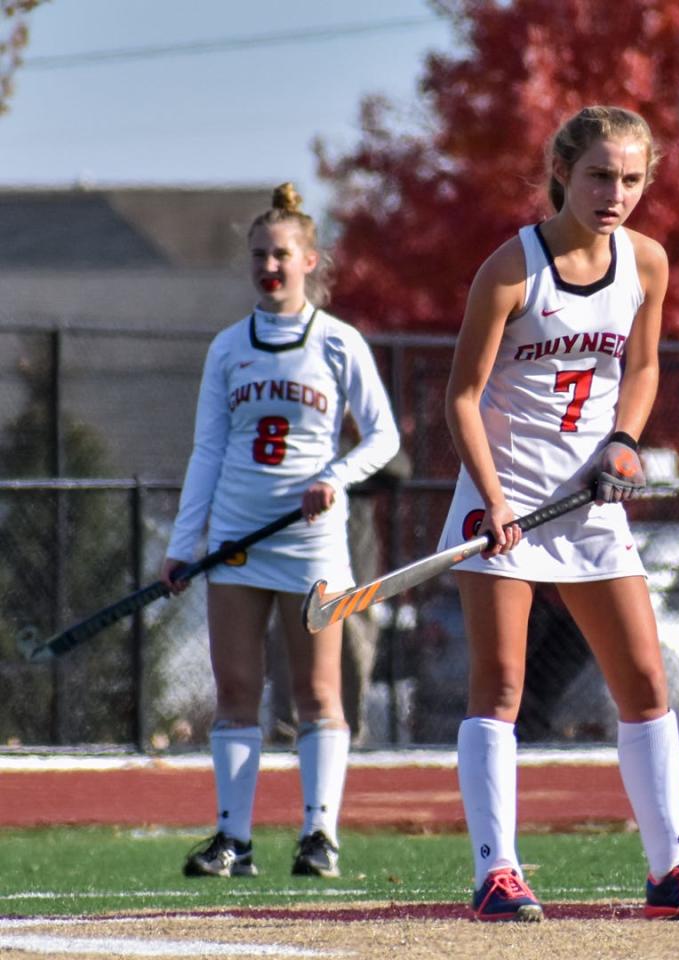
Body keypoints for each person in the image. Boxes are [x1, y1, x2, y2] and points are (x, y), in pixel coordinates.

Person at [438, 106, 679, 922]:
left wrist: (624, 442)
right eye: (598, 176)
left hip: (588, 500)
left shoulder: (646, 262)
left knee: (646, 680)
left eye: (630, 179)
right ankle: (497, 873)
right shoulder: (511, 269)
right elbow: (463, 397)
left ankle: (672, 870)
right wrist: (495, 502)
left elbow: (642, 368)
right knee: (500, 683)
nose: (614, 193)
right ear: (563, 172)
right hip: (502, 498)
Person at [162, 182, 400, 880]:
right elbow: (207, 449)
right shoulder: (227, 348)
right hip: (236, 539)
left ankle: (318, 836)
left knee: (318, 694)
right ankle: (233, 840)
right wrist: (184, 545)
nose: (270, 266)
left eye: (283, 254)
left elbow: (383, 437)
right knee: (236, 690)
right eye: (260, 255)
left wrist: (338, 476)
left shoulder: (338, 342)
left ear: (310, 261)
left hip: (311, 542)